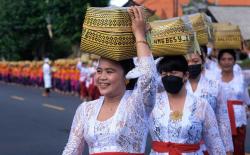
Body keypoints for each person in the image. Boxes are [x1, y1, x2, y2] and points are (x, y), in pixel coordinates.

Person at [62, 6, 157, 155]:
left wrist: (139, 34)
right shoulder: (85, 110)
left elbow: (149, 76)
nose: (102, 77)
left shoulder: (138, 103)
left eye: (109, 71)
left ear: (126, 77)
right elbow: (72, 149)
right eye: (99, 71)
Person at [149, 55, 226, 155]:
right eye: (164, 74)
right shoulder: (152, 103)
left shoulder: (201, 105)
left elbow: (215, 143)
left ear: (185, 75)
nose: (168, 76)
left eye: (173, 72)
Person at [185, 51, 233, 154]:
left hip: (211, 145)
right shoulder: (177, 87)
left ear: (202, 61)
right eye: (187, 61)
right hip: (185, 146)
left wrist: (228, 148)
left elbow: (222, 119)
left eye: (195, 61)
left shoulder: (215, 86)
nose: (191, 64)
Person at [216, 49, 250, 155]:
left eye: (230, 59)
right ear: (219, 62)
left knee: (238, 149)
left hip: (239, 119)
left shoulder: (242, 77)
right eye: (223, 59)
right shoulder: (214, 79)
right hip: (219, 120)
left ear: (234, 61)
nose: (227, 62)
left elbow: (245, 97)